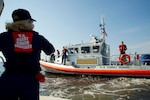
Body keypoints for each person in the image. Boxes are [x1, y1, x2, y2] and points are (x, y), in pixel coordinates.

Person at [0, 8, 55, 100]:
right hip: (29, 80)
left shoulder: (3, 37)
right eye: (31, 22)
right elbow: (50, 50)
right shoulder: (38, 38)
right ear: (28, 22)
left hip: (8, 79)